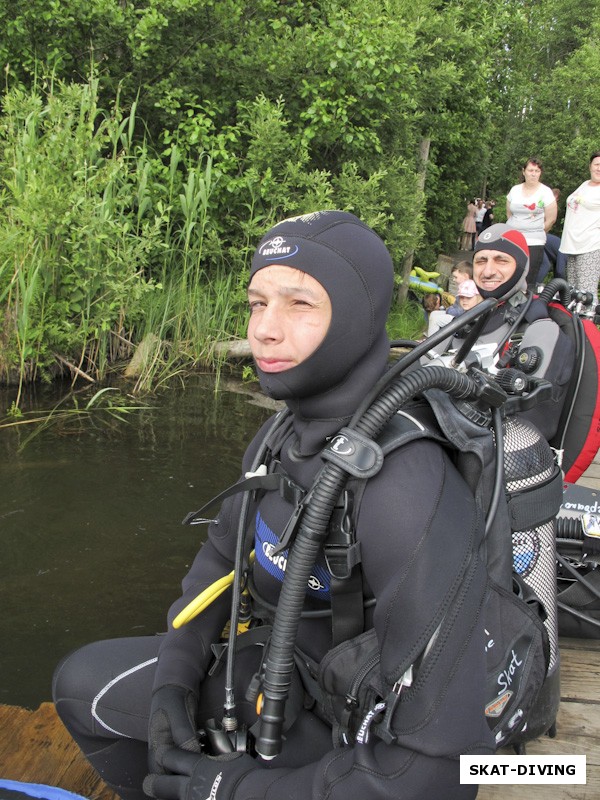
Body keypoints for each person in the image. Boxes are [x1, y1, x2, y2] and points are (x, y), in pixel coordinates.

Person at [53, 211, 492, 800]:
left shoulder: (406, 483)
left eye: (299, 304)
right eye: (258, 303)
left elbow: (441, 770)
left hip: (359, 735)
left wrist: (234, 790)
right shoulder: (283, 435)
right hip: (280, 679)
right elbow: (220, 559)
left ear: (358, 317)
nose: (264, 328)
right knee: (81, 684)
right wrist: (174, 680)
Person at [431, 223, 574, 441]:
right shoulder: (463, 323)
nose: (488, 271)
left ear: (521, 266)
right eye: (481, 260)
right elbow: (414, 374)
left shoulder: (540, 330)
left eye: (501, 260)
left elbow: (533, 423)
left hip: (497, 458)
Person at [506, 158, 557, 290]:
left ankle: (525, 306)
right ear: (524, 172)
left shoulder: (545, 192)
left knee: (528, 279)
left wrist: (537, 231)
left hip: (534, 241)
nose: (533, 174)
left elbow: (551, 219)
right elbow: (509, 213)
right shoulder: (515, 190)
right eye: (530, 170)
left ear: (540, 173)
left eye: (537, 171)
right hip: (513, 239)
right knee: (510, 274)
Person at [559, 151, 600, 307]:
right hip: (573, 245)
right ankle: (574, 327)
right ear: (590, 166)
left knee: (587, 293)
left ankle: (589, 329)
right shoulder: (584, 185)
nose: (599, 168)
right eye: (596, 164)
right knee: (573, 291)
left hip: (591, 245)